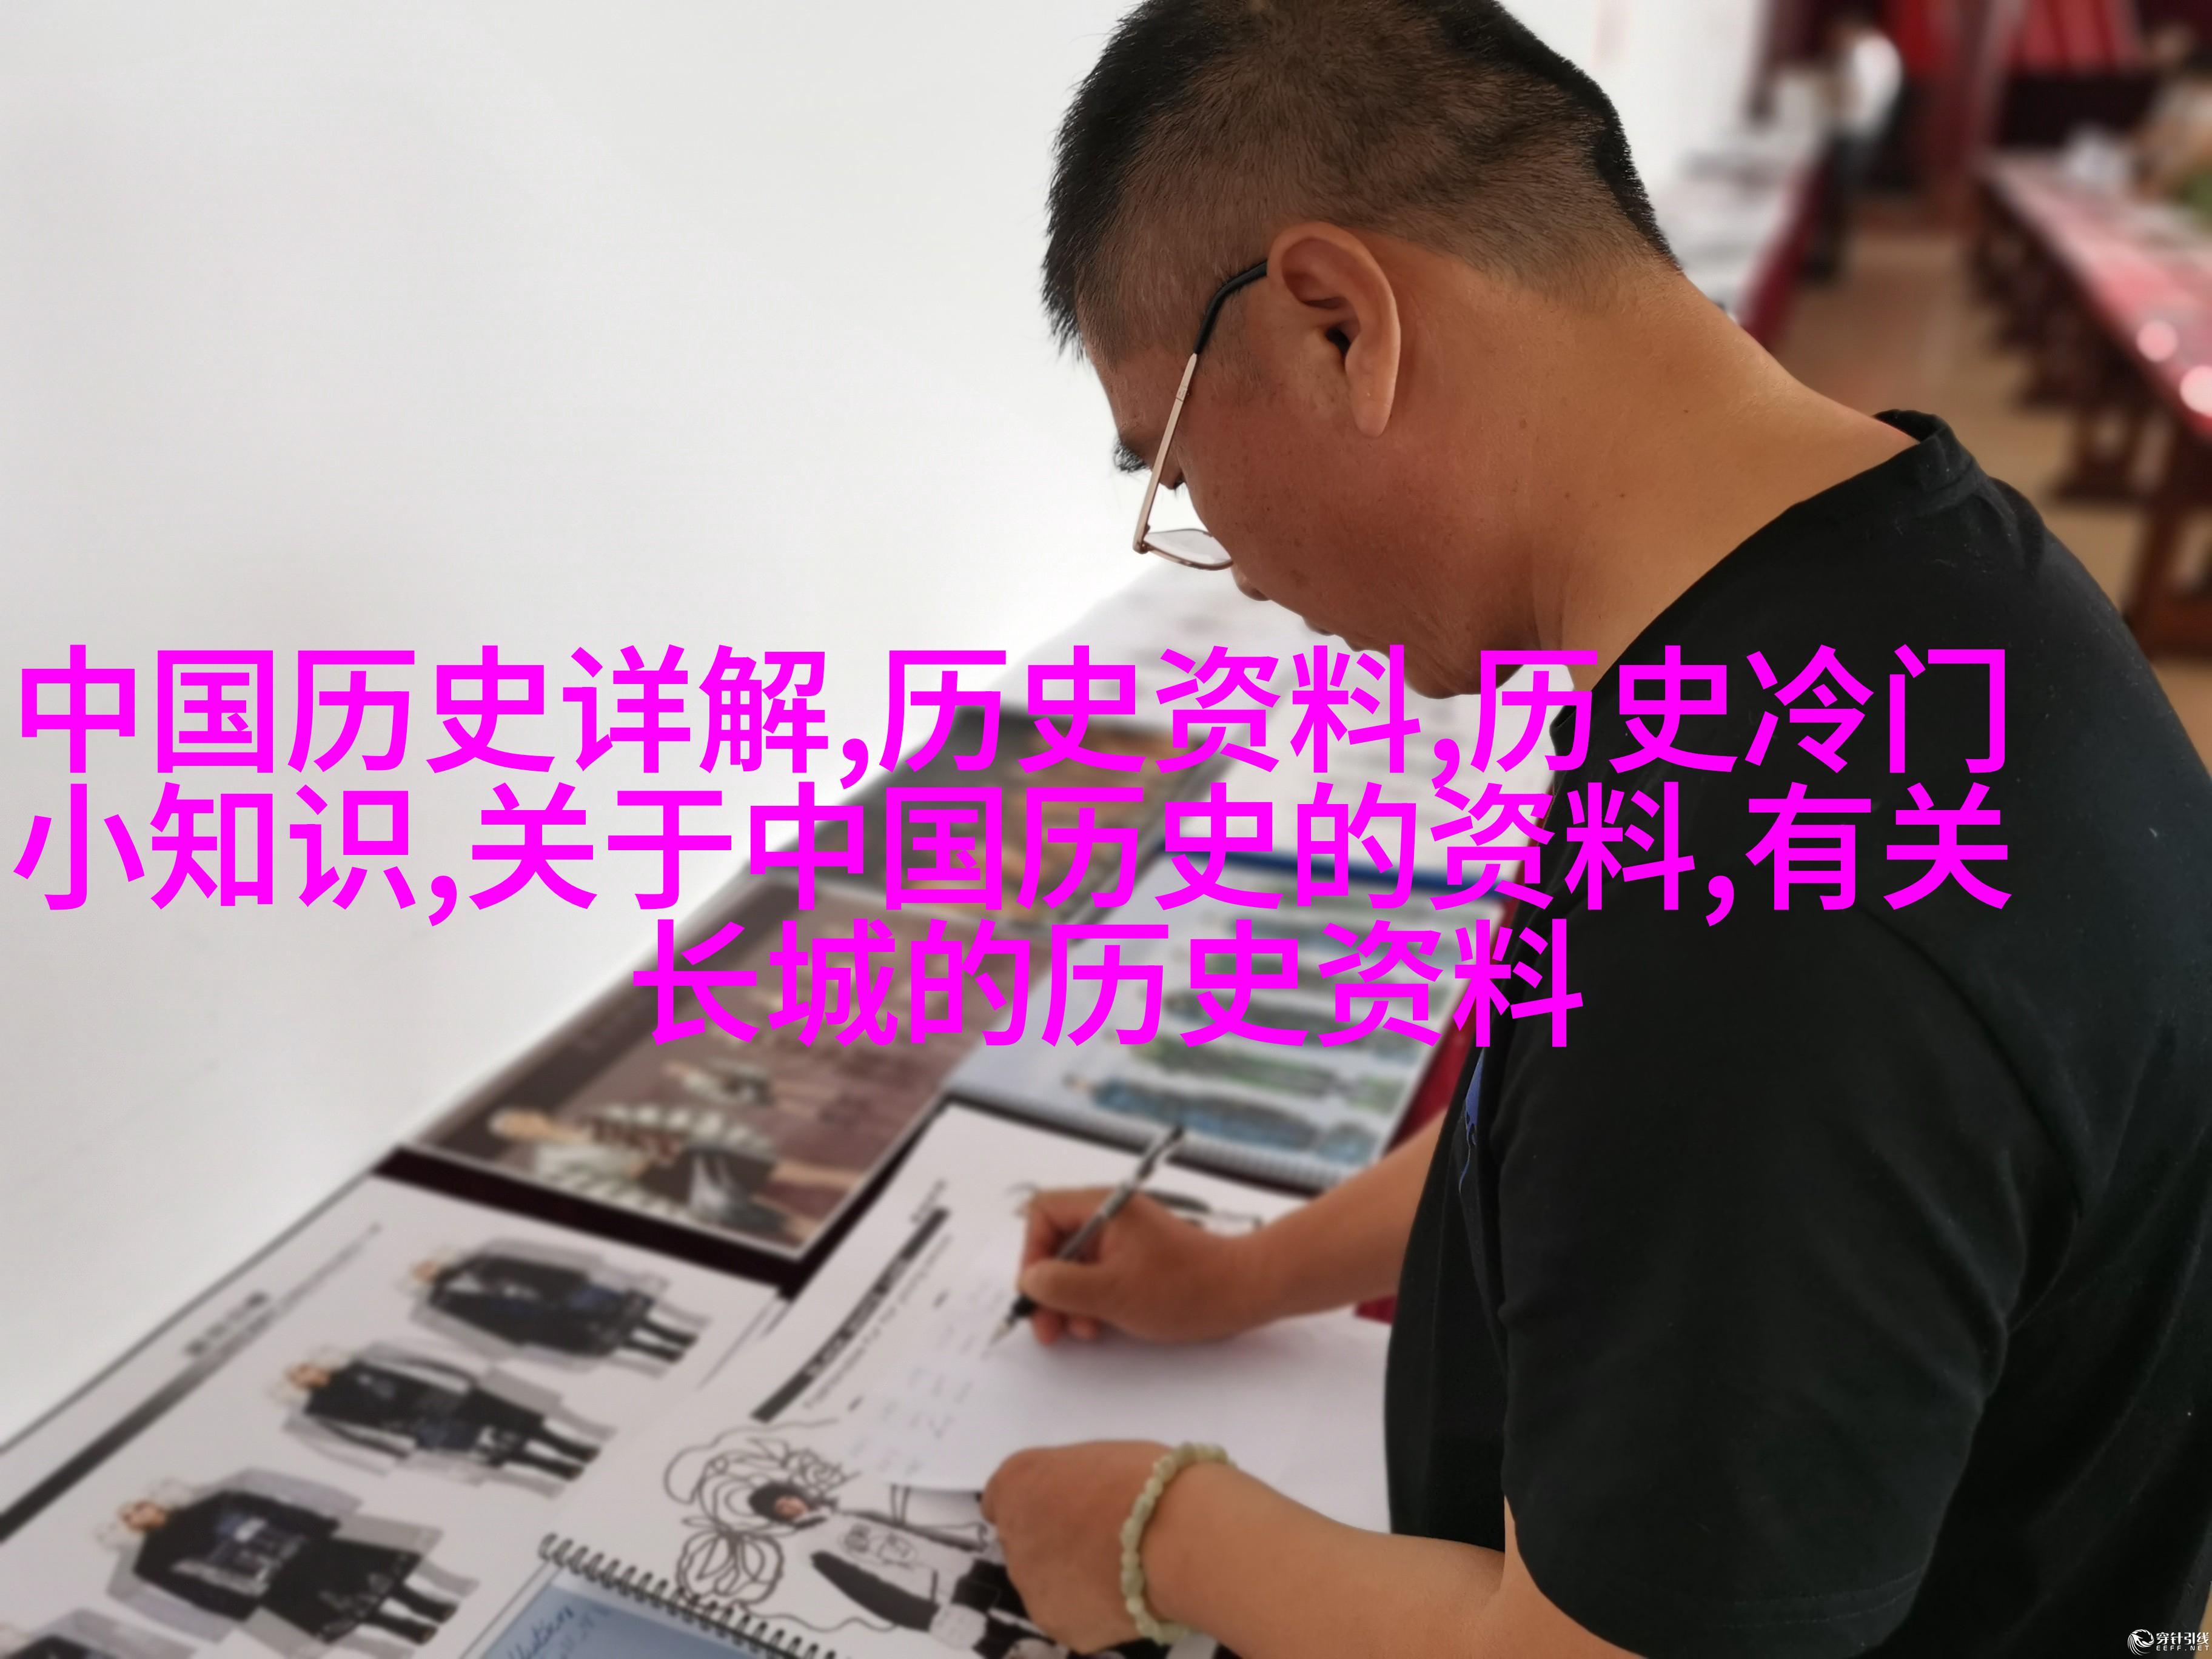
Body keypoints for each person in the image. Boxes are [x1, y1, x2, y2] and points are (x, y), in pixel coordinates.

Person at [975, 2, 2212, 1655]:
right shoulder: (1892, 583)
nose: (1236, 568)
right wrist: (1242, 1274)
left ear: (1339, 323)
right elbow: (1568, 1137)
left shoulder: (1764, 916)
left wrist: (1159, 1535)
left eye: (1183, 476)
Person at [118, 1486, 459, 1648]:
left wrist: (316, 1525)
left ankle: (424, 1605)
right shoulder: (151, 1560)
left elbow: (275, 1508)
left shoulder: (219, 1501)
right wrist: (234, 1606)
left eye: (139, 1507)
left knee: (365, 1575)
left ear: (153, 1504)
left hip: (300, 1547)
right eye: (131, 1517)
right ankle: (404, 1628)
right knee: (334, 1607)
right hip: (262, 1581)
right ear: (132, 1527)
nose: (139, 1515)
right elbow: (190, 1590)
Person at [284, 1351, 603, 1482]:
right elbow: (359, 1429)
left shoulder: (360, 1364)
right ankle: (553, 1467)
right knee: (486, 1448)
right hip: (415, 1424)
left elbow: (414, 1368)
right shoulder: (320, 1407)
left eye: (306, 1368)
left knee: (514, 1420)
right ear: (300, 1385)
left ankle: (569, 1447)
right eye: (301, 1376)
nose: (309, 1374)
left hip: (440, 1397)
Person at [1804, 8, 1903, 281]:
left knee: (1839, 199)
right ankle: (1833, 259)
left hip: (1852, 133)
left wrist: (1829, 93)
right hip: (1869, 131)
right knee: (1845, 200)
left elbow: (1852, 96)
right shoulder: (1884, 49)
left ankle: (1830, 264)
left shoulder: (1859, 53)